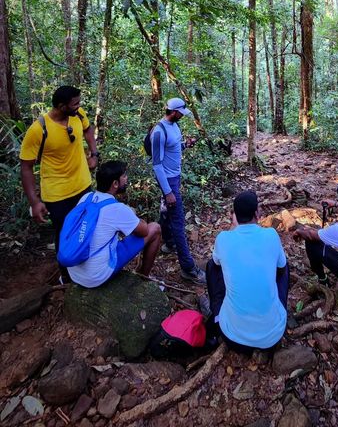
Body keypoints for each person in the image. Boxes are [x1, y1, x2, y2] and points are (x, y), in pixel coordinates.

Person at [20, 86, 98, 279]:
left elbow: (88, 130)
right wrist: (35, 202)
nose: (79, 106)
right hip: (57, 194)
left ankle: (86, 267)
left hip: (83, 185)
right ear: (62, 106)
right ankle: (67, 277)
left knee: (87, 228)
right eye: (75, 103)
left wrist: (94, 153)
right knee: (65, 236)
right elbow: (26, 167)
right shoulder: (39, 129)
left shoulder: (78, 115)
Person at [206, 191, 289, 354]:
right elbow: (281, 268)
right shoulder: (271, 235)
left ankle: (217, 313)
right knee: (284, 266)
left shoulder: (223, 238)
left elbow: (216, 263)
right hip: (272, 337)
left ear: (234, 216)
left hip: (233, 337)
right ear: (257, 214)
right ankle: (276, 307)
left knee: (212, 265)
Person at [68, 161, 161, 288]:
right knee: (155, 228)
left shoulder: (87, 197)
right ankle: (143, 278)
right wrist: (135, 217)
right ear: (115, 184)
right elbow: (144, 231)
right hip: (95, 276)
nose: (126, 178)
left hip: (74, 271)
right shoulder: (117, 209)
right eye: (124, 176)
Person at [151, 98, 205, 284]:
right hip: (168, 180)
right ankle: (188, 268)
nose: (183, 115)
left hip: (175, 177)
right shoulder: (159, 131)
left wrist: (186, 144)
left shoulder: (174, 126)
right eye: (181, 112)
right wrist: (168, 192)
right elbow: (157, 165)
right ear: (173, 112)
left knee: (166, 212)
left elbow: (173, 148)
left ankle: (168, 242)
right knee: (179, 222)